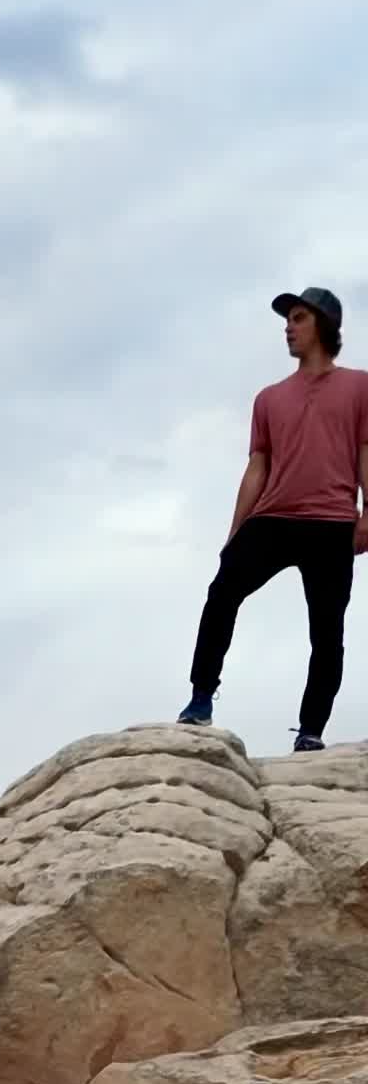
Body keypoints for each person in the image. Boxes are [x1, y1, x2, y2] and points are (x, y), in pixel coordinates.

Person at [179, 289, 368, 750]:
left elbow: (366, 451)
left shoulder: (360, 386)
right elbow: (258, 466)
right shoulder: (268, 398)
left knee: (327, 631)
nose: (288, 326)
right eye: (288, 319)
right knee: (221, 592)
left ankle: (310, 732)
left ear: (323, 325)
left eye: (298, 318)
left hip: (331, 522)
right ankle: (200, 698)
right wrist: (235, 530)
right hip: (274, 518)